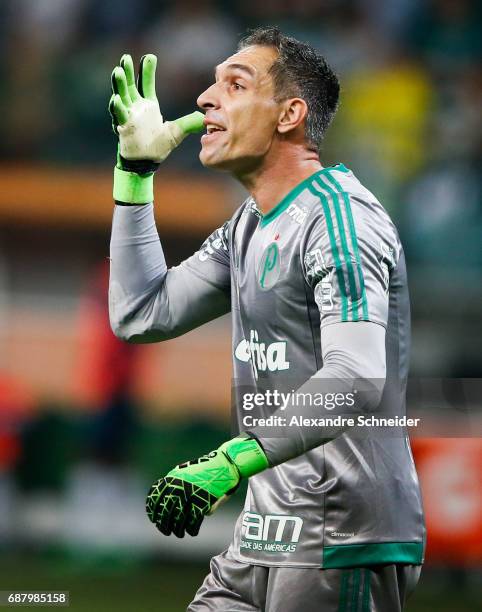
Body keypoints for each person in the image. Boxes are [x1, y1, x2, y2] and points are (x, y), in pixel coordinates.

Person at [108, 27, 425, 612]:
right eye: (211, 85)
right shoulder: (248, 225)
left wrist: (232, 459)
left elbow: (355, 377)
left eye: (234, 84)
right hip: (261, 534)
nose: (205, 99)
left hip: (341, 534)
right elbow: (140, 314)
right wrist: (134, 174)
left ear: (289, 115)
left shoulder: (340, 221)